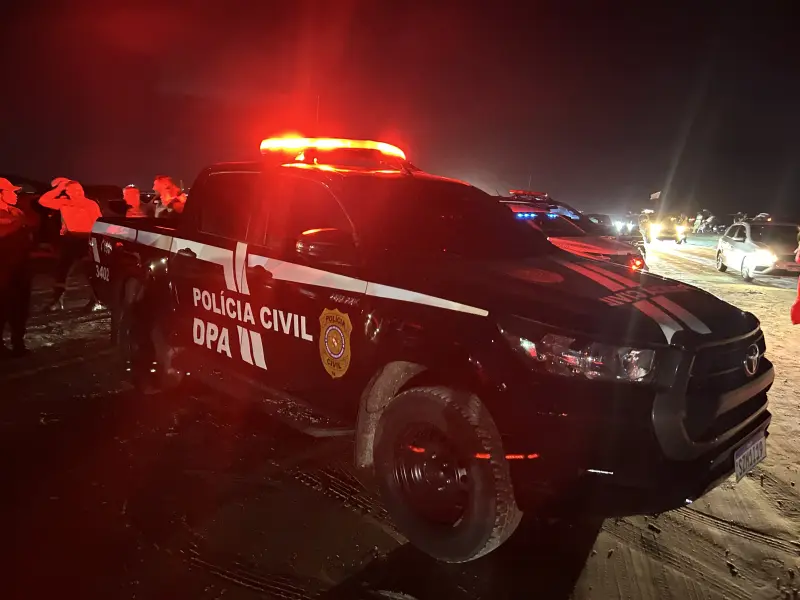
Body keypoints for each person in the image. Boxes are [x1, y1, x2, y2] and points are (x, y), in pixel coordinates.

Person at [37, 178, 103, 311]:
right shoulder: (64, 203)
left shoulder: (90, 204)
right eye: (74, 190)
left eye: (80, 189)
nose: (79, 192)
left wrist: (97, 241)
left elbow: (99, 223)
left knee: (91, 271)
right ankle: (57, 300)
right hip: (70, 240)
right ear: (68, 192)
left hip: (86, 240)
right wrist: (59, 188)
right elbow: (43, 201)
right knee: (62, 270)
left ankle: (97, 300)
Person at [0, 177, 33, 356]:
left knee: (21, 307)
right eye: (11, 192)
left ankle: (18, 343)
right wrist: (16, 225)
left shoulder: (17, 212)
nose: (15, 195)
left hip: (21, 266)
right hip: (3, 268)